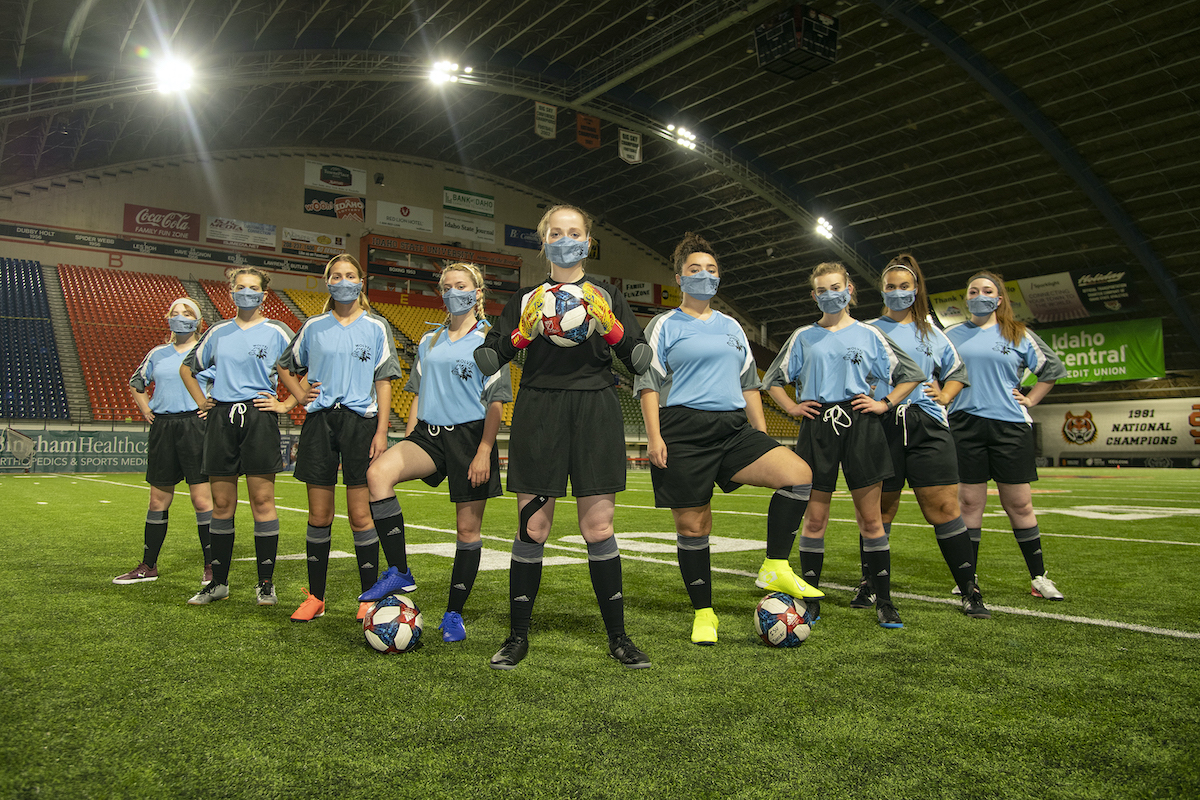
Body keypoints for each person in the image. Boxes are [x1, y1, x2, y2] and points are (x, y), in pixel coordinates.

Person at [472, 203, 653, 670]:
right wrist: (522, 335)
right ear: (544, 241)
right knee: (533, 527)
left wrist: (609, 327)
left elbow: (639, 359)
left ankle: (619, 637)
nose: (565, 238)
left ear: (587, 242)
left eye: (574, 232)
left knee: (599, 529)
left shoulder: (607, 294)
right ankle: (517, 636)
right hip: (539, 408)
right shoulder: (526, 299)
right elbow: (487, 360)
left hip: (596, 408)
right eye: (556, 232)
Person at [636, 232, 823, 645]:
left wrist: (761, 436)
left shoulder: (732, 325)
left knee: (798, 475)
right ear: (680, 279)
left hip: (733, 426)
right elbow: (647, 382)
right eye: (694, 270)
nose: (704, 275)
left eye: (711, 270)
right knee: (693, 525)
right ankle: (704, 613)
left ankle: (775, 564)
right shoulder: (663, 324)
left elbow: (749, 385)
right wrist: (654, 437)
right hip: (681, 429)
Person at [762, 261, 923, 628]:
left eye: (836, 287)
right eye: (822, 289)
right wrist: (790, 406)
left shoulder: (869, 334)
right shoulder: (803, 336)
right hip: (817, 426)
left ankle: (884, 600)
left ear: (849, 290)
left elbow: (910, 374)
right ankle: (810, 599)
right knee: (815, 519)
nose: (830, 294)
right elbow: (772, 379)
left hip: (862, 424)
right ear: (814, 295)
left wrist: (885, 403)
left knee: (871, 520)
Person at [359, 262, 511, 642]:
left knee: (467, 530)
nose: (452, 292)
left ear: (478, 293)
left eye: (461, 286)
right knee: (378, 474)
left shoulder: (489, 341)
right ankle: (399, 571)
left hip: (470, 439)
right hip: (428, 434)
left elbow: (496, 403)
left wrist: (484, 451)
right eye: (446, 286)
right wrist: (410, 436)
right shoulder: (428, 341)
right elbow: (417, 394)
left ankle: (454, 615)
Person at [860, 253, 990, 618]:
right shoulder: (866, 330)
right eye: (890, 287)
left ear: (916, 290)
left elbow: (958, 372)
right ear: (882, 290)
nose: (898, 293)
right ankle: (870, 584)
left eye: (905, 287)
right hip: (879, 424)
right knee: (880, 510)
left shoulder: (934, 334)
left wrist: (945, 396)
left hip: (927, 426)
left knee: (945, 508)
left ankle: (969, 589)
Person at [276, 254, 403, 623]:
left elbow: (383, 381)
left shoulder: (377, 327)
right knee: (319, 515)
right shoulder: (313, 327)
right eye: (336, 275)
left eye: (350, 275)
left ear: (361, 282)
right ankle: (316, 597)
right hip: (319, 424)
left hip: (361, 425)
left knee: (361, 516)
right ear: (326, 281)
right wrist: (299, 397)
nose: (343, 280)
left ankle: (367, 598)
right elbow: (286, 365)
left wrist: (381, 431)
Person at [944, 271, 1067, 600]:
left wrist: (1032, 398)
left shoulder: (1019, 333)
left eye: (987, 291)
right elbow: (929, 371)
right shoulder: (950, 335)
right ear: (966, 297)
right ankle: (967, 578)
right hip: (964, 424)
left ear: (999, 299)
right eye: (973, 291)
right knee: (969, 503)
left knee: (1020, 504)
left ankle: (1039, 577)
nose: (979, 295)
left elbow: (1052, 369)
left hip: (1009, 425)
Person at [180, 267, 297, 606]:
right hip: (221, 420)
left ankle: (265, 583)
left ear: (264, 293)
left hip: (259, 418)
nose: (247, 292)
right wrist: (203, 401)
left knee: (263, 502)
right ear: (230, 291)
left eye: (253, 288)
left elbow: (305, 369)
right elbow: (188, 369)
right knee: (222, 505)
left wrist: (287, 403)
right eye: (240, 287)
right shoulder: (218, 332)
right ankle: (218, 583)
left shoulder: (277, 331)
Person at [114, 298, 214, 589]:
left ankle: (211, 566)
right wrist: (145, 409)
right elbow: (136, 383)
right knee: (158, 499)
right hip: (164, 427)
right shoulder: (157, 353)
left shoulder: (207, 353)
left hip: (196, 427)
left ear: (198, 321)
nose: (180, 317)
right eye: (175, 313)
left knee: (201, 500)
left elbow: (225, 384)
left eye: (187, 313)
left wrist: (210, 405)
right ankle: (148, 565)